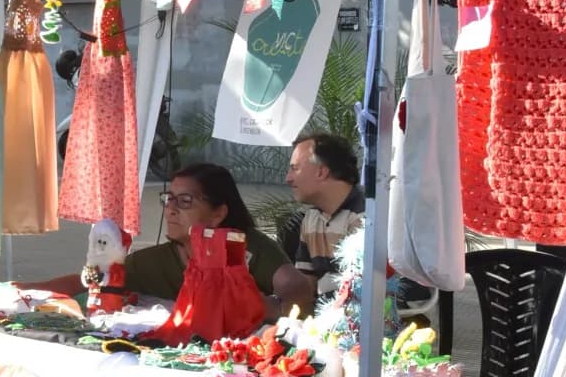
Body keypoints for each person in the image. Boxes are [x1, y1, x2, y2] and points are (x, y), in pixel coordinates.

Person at [21, 164, 289, 309]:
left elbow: (298, 292)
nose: (170, 209)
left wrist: (255, 305)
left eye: (184, 201)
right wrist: (23, 288)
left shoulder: (247, 247)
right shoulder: (156, 261)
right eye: (168, 199)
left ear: (218, 213)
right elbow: (92, 281)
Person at [273, 133, 365, 315]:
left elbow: (361, 289)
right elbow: (307, 282)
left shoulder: (365, 216)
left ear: (321, 172)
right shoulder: (311, 218)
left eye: (295, 168)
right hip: (326, 316)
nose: (288, 178)